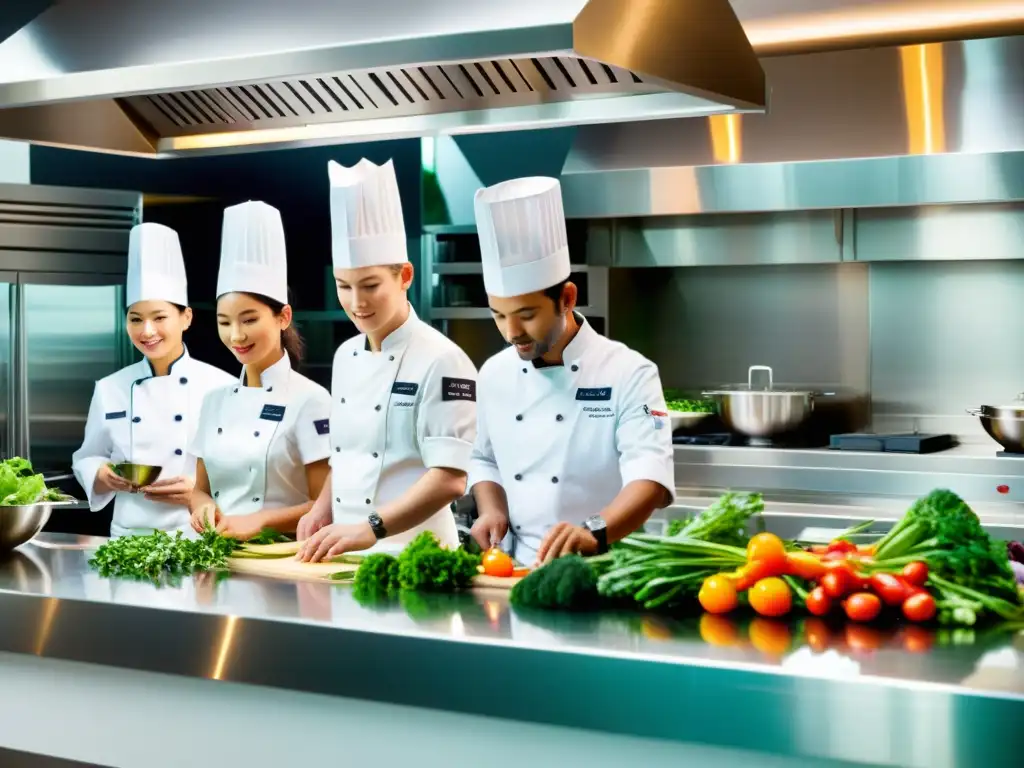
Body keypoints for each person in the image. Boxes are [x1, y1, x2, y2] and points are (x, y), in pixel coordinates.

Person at [468, 177, 675, 565]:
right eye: (499, 316)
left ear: (567, 298)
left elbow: (650, 479)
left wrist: (593, 531)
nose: (512, 333)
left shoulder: (629, 372)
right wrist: (491, 507)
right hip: (516, 571)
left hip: (607, 566)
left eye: (527, 315)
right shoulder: (494, 373)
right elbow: (484, 458)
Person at [296, 158, 477, 562]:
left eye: (371, 285)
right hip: (346, 555)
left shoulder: (443, 360)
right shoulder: (345, 356)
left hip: (418, 557)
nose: (356, 303)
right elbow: (347, 455)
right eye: (343, 286)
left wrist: (371, 527)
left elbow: (450, 479)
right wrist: (322, 508)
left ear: (405, 275)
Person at [72, 223, 234, 537]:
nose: (147, 331)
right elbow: (88, 455)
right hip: (126, 538)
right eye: (136, 319)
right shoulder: (110, 388)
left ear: (186, 318)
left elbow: (243, 474)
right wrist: (102, 475)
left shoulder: (222, 387)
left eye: (159, 317)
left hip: (194, 537)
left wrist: (198, 494)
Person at [188, 201, 332, 540]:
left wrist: (261, 521)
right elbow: (199, 490)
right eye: (224, 322)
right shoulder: (214, 401)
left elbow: (327, 505)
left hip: (285, 560)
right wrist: (203, 507)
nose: (236, 335)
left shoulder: (311, 400)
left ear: (283, 317)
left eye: (249, 319)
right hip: (219, 558)